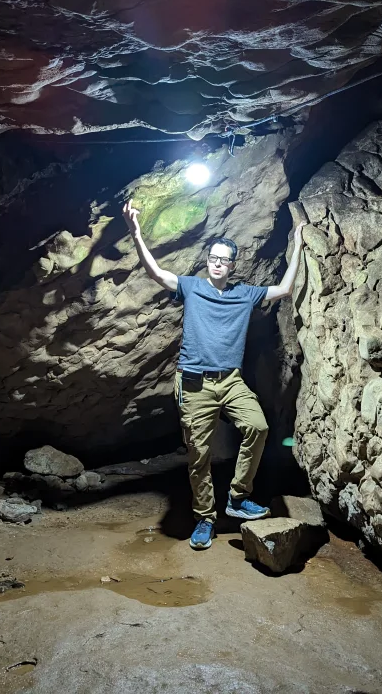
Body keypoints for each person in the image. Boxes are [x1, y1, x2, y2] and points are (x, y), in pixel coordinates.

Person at [122, 199, 305, 550]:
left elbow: (283, 289)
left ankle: (238, 496)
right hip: (193, 384)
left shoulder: (244, 294)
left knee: (258, 426)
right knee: (199, 456)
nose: (218, 264)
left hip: (230, 380)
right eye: (213, 258)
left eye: (224, 259)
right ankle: (204, 518)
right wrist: (136, 233)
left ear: (233, 264)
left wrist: (296, 244)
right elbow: (157, 274)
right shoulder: (192, 287)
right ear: (208, 261)